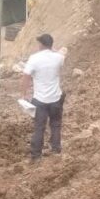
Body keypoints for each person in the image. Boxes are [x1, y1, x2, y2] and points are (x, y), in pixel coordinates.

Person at [20, 33, 65, 163]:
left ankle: (36, 156)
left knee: (39, 127)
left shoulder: (34, 58)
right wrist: (53, 50)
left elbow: (26, 77)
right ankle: (56, 149)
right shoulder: (58, 58)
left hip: (40, 99)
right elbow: (62, 55)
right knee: (55, 124)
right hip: (56, 98)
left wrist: (24, 94)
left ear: (40, 45)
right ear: (51, 45)